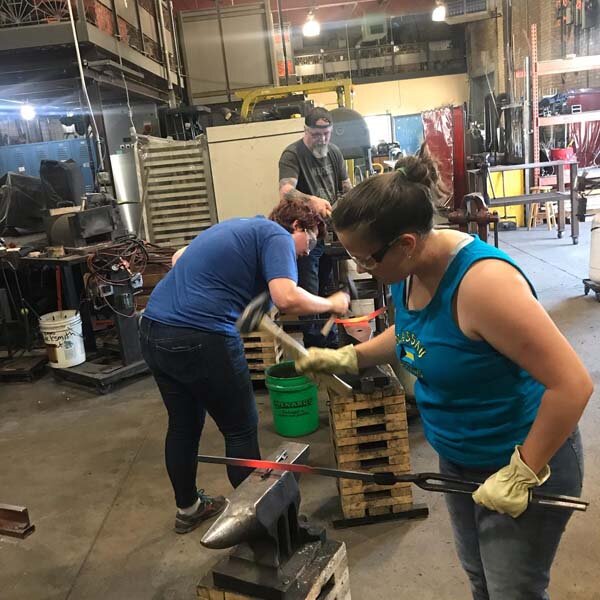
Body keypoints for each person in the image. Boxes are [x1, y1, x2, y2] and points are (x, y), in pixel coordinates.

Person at [295, 148, 592, 599]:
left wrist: (523, 471)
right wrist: (353, 358)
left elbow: (573, 384)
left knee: (514, 592)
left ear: (406, 243)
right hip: (461, 458)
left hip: (524, 456)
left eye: (367, 259)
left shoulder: (484, 286)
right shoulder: (405, 270)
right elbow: (416, 331)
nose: (361, 268)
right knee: (481, 581)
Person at [139, 199, 350, 534]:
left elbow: (180, 258)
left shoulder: (237, 226)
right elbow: (286, 297)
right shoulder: (277, 236)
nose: (306, 253)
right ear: (297, 225)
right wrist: (332, 303)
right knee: (240, 429)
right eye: (309, 242)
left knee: (183, 425)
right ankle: (262, 530)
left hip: (153, 329)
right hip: (202, 336)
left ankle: (189, 509)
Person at [279, 107, 353, 349]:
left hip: (328, 234)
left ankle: (329, 343)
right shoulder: (292, 154)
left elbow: (346, 187)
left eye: (326, 134)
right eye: (316, 135)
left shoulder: (334, 153)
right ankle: (314, 346)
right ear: (306, 131)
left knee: (326, 285)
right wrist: (312, 201)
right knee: (308, 289)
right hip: (305, 235)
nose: (322, 139)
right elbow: (286, 191)